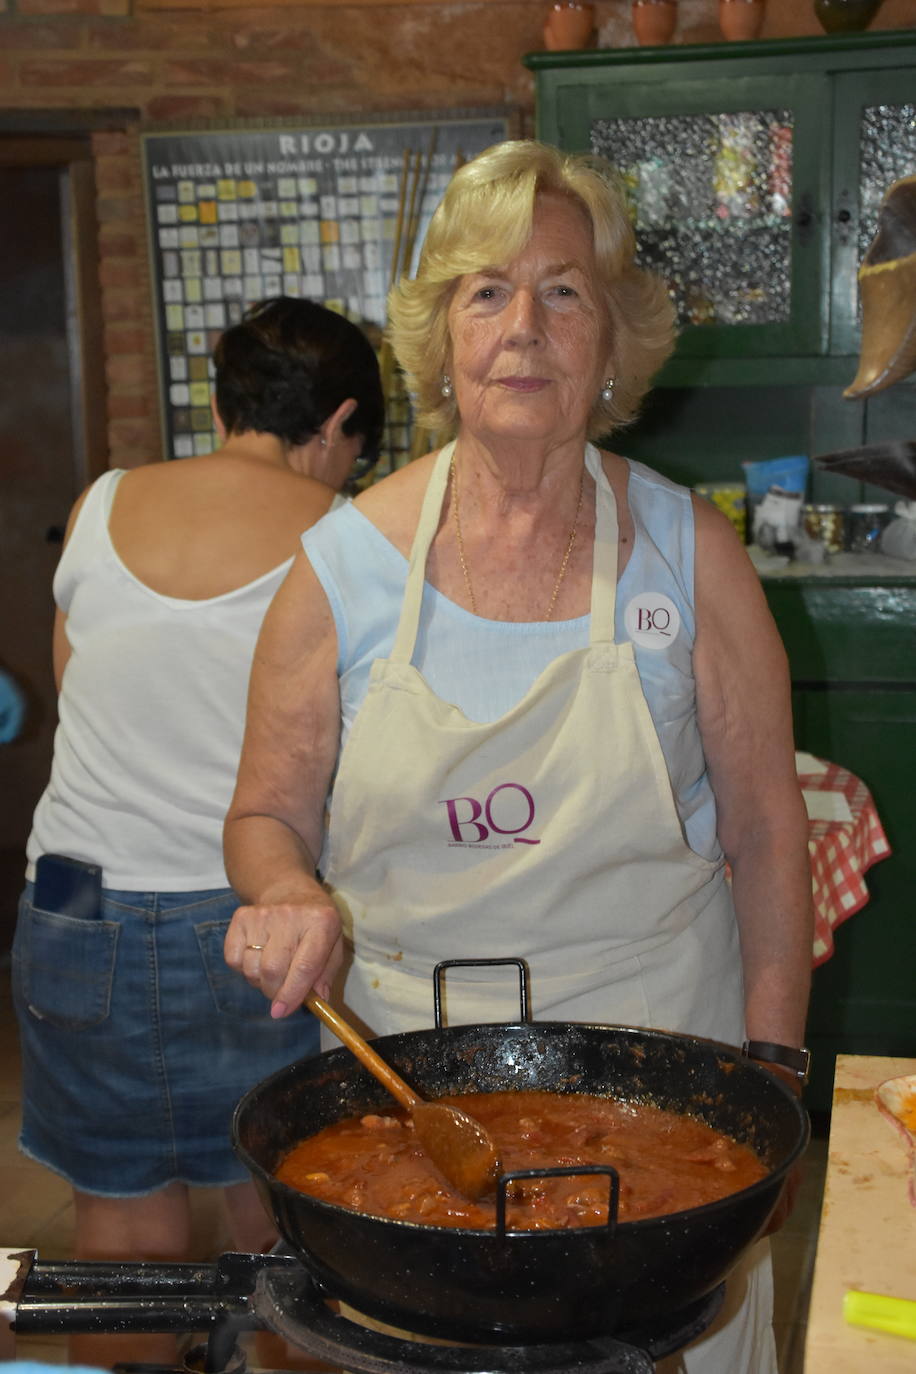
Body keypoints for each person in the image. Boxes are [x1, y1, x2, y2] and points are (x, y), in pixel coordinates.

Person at [222, 143, 814, 1373]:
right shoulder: (343, 567)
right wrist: (283, 891)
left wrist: (773, 1083)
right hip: (406, 1100)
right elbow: (265, 814)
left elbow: (766, 830)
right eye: (485, 292)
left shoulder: (686, 551)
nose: (523, 329)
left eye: (563, 292)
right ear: (440, 338)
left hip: (668, 1092)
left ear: (611, 341)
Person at [12, 295, 384, 1369]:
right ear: (340, 421)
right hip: (254, 916)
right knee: (291, 1223)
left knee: (121, 1230)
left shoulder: (102, 501)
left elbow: (77, 685)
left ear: (221, 401)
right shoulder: (343, 537)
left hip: (76, 906)